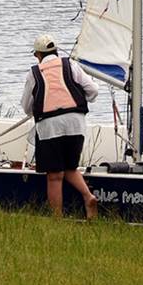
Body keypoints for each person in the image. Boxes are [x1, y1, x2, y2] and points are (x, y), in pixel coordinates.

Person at [20, 33, 99, 219]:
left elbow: (27, 107)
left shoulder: (34, 73)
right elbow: (93, 90)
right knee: (70, 167)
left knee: (54, 175)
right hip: (76, 124)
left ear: (38, 55)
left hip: (50, 127)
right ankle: (88, 196)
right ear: (56, 51)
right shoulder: (70, 65)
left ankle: (57, 218)